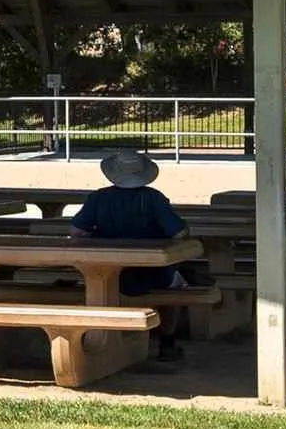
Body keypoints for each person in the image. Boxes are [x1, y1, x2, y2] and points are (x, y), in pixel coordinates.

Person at [70, 148, 200, 360]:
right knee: (177, 285)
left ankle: (101, 339)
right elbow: (179, 232)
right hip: (153, 274)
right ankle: (167, 341)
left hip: (107, 273)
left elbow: (76, 231)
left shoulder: (98, 198)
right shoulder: (154, 199)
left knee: (92, 283)